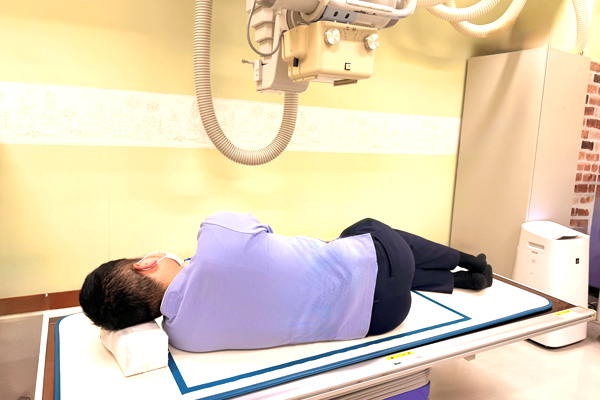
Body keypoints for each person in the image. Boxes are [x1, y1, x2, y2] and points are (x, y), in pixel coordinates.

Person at [79, 212, 492, 352]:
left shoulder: (184, 338)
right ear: (145, 264)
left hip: (381, 320)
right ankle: (471, 263)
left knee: (367, 263)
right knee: (362, 231)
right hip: (388, 266)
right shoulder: (218, 237)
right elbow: (266, 232)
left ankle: (458, 282)